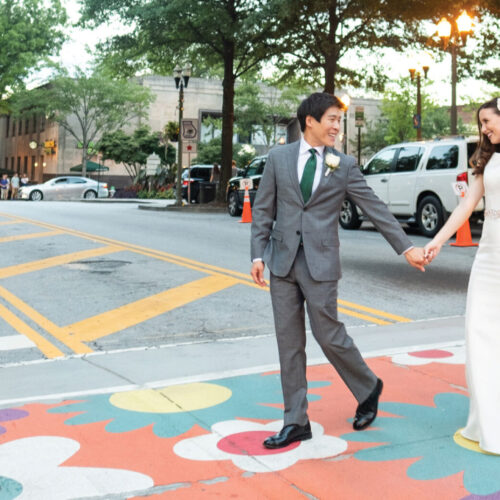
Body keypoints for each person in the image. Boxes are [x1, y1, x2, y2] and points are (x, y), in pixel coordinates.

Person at [250, 92, 427, 449]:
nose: (336, 127)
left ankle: (368, 386)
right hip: (282, 261)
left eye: (339, 121)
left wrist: (406, 248)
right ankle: (296, 421)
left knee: (328, 334)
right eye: (331, 119)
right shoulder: (279, 158)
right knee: (289, 343)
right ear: (310, 121)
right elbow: (263, 208)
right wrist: (257, 254)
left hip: (321, 263)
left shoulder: (343, 165)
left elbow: (374, 207)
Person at [424, 97, 500, 455]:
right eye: (481, 123)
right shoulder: (486, 161)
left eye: (488, 121)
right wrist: (437, 241)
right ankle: (488, 421)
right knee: (480, 334)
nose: (484, 130)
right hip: (488, 258)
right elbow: (467, 205)